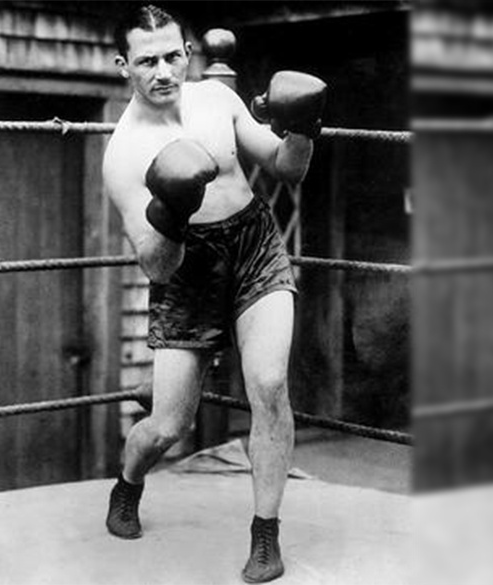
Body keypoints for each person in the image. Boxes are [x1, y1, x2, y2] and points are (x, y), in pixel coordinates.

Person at [99, 4, 324, 583]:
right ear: (123, 64)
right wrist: (172, 206)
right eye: (147, 61)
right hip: (186, 272)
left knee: (270, 385)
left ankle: (265, 536)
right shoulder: (124, 154)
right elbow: (156, 263)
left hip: (253, 246)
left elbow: (285, 168)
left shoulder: (216, 100)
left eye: (173, 55)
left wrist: (302, 127)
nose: (164, 71)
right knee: (167, 428)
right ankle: (128, 483)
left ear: (188, 50)